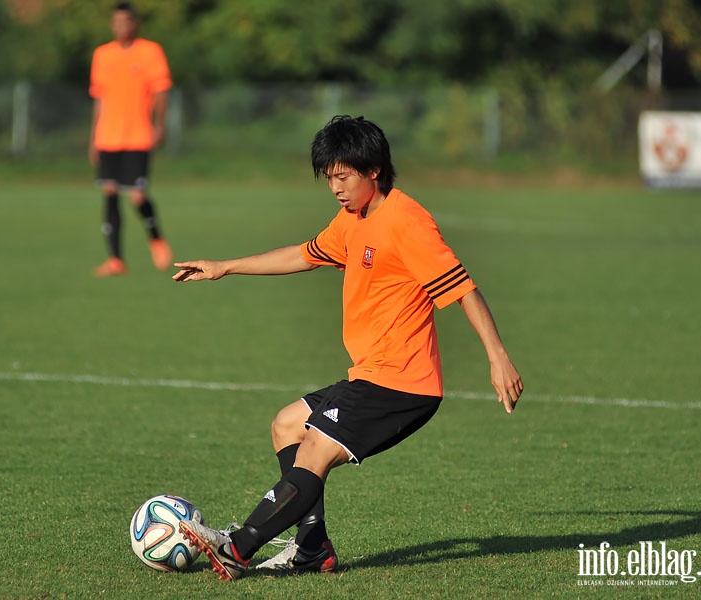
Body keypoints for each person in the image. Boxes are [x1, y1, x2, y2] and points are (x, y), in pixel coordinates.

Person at [171, 115, 524, 581]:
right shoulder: (352, 219)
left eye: (343, 176)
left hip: (403, 383)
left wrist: (498, 358)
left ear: (372, 169)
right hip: (372, 374)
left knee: (314, 448)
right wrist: (225, 266)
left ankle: (238, 548)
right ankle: (312, 549)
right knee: (287, 425)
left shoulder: (407, 222)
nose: (335, 187)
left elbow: (464, 289)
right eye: (329, 178)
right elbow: (304, 254)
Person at [89, 2, 173, 276]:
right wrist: (94, 137)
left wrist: (159, 125)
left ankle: (156, 238)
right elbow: (99, 98)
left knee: (137, 195)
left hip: (137, 136)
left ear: (135, 23)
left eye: (126, 21)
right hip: (108, 137)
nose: (121, 26)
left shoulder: (150, 51)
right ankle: (115, 259)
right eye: (116, 22)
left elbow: (161, 92)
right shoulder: (102, 54)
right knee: (110, 193)